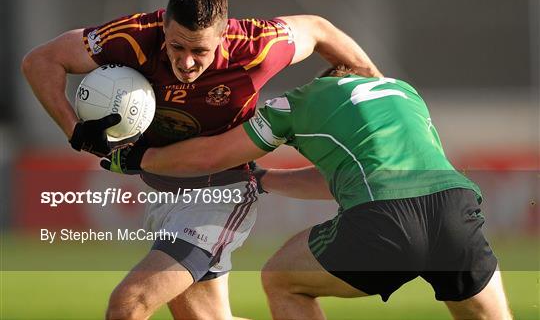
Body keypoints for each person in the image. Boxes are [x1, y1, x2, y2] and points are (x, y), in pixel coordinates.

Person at [21, 0, 382, 320]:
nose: (187, 62)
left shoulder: (258, 45)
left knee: (128, 305)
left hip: (220, 191)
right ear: (164, 28)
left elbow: (318, 28)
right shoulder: (134, 36)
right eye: (177, 46)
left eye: (200, 51)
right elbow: (40, 61)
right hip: (164, 189)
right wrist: (75, 130)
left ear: (223, 36)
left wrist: (377, 84)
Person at [103, 65, 513, 320]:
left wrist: (142, 159)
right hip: (456, 207)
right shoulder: (405, 93)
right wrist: (263, 180)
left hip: (385, 218)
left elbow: (215, 153)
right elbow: (343, 178)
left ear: (329, 77)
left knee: (282, 280)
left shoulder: (300, 100)